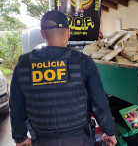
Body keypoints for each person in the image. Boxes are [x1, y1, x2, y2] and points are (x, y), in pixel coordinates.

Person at [10, 10, 117, 146]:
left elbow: (16, 107)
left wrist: (20, 137)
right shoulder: (83, 61)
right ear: (68, 32)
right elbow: (99, 104)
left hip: (43, 140)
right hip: (80, 140)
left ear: (43, 33)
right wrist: (110, 132)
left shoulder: (23, 64)